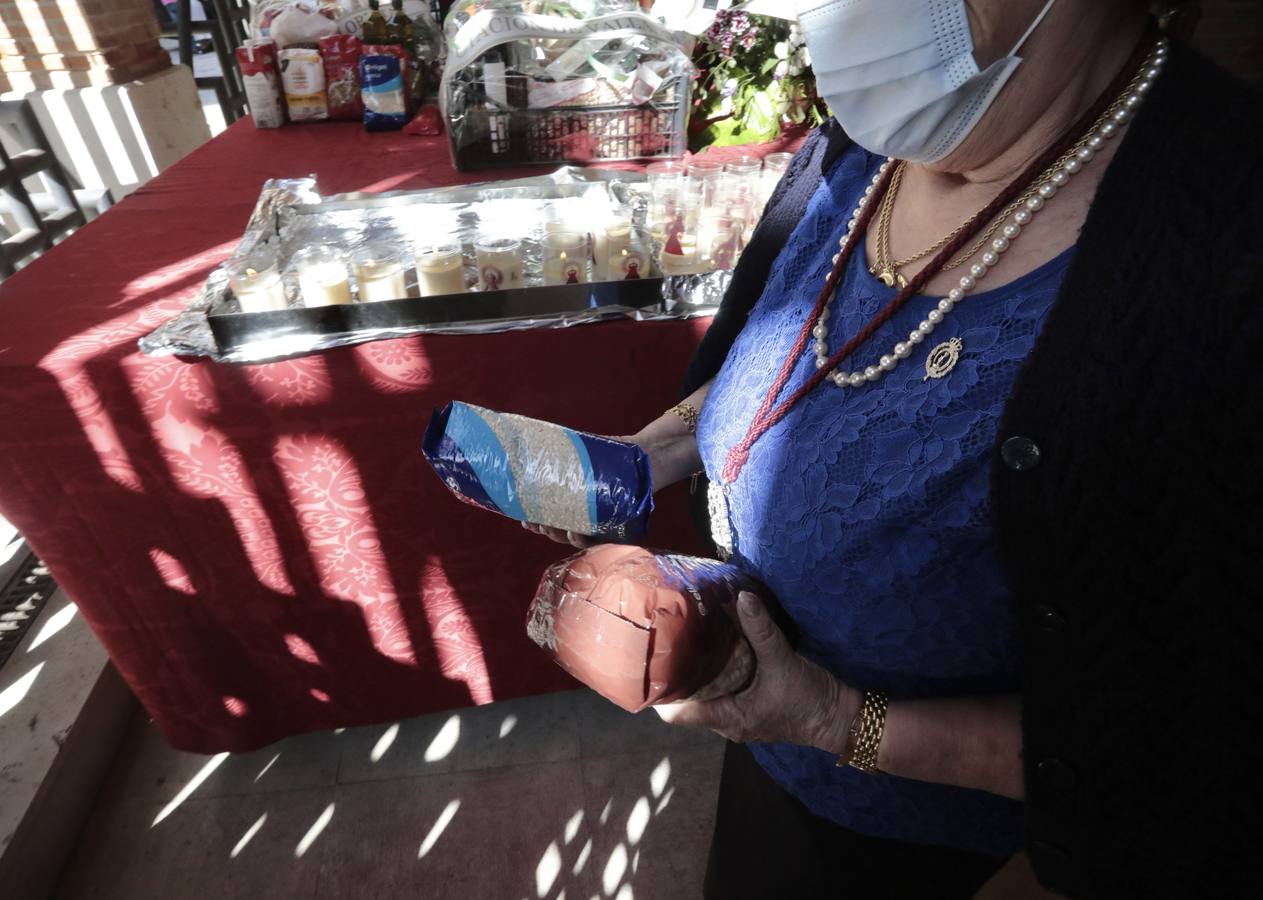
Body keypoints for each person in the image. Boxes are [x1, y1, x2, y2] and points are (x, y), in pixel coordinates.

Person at [527, 0, 1262, 896]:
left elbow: (1196, 752)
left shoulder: (1223, 248)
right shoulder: (873, 140)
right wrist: (655, 452)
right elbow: (797, 355)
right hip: (780, 782)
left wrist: (836, 720)